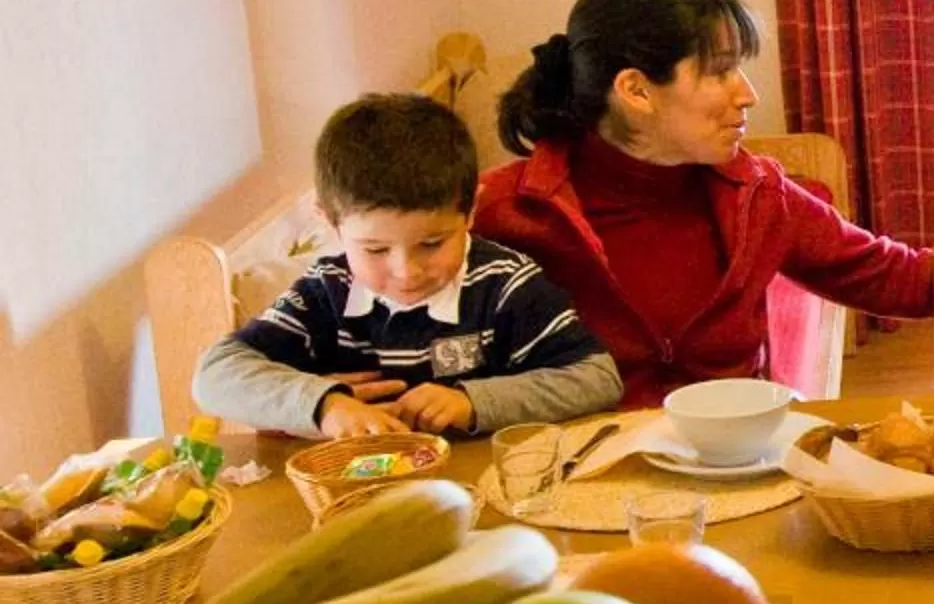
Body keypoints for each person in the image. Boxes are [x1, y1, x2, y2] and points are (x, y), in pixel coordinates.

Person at [475, 0, 934, 406]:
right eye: (719, 72)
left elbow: (885, 274)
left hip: (735, 463)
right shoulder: (503, 212)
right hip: (585, 471)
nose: (747, 94)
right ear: (636, 90)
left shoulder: (756, 194)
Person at [195, 94, 619, 439]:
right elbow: (215, 375)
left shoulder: (504, 285)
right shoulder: (326, 291)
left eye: (432, 244)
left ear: (470, 210)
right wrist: (324, 404)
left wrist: (472, 401)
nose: (407, 271)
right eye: (376, 250)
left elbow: (597, 378)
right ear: (329, 222)